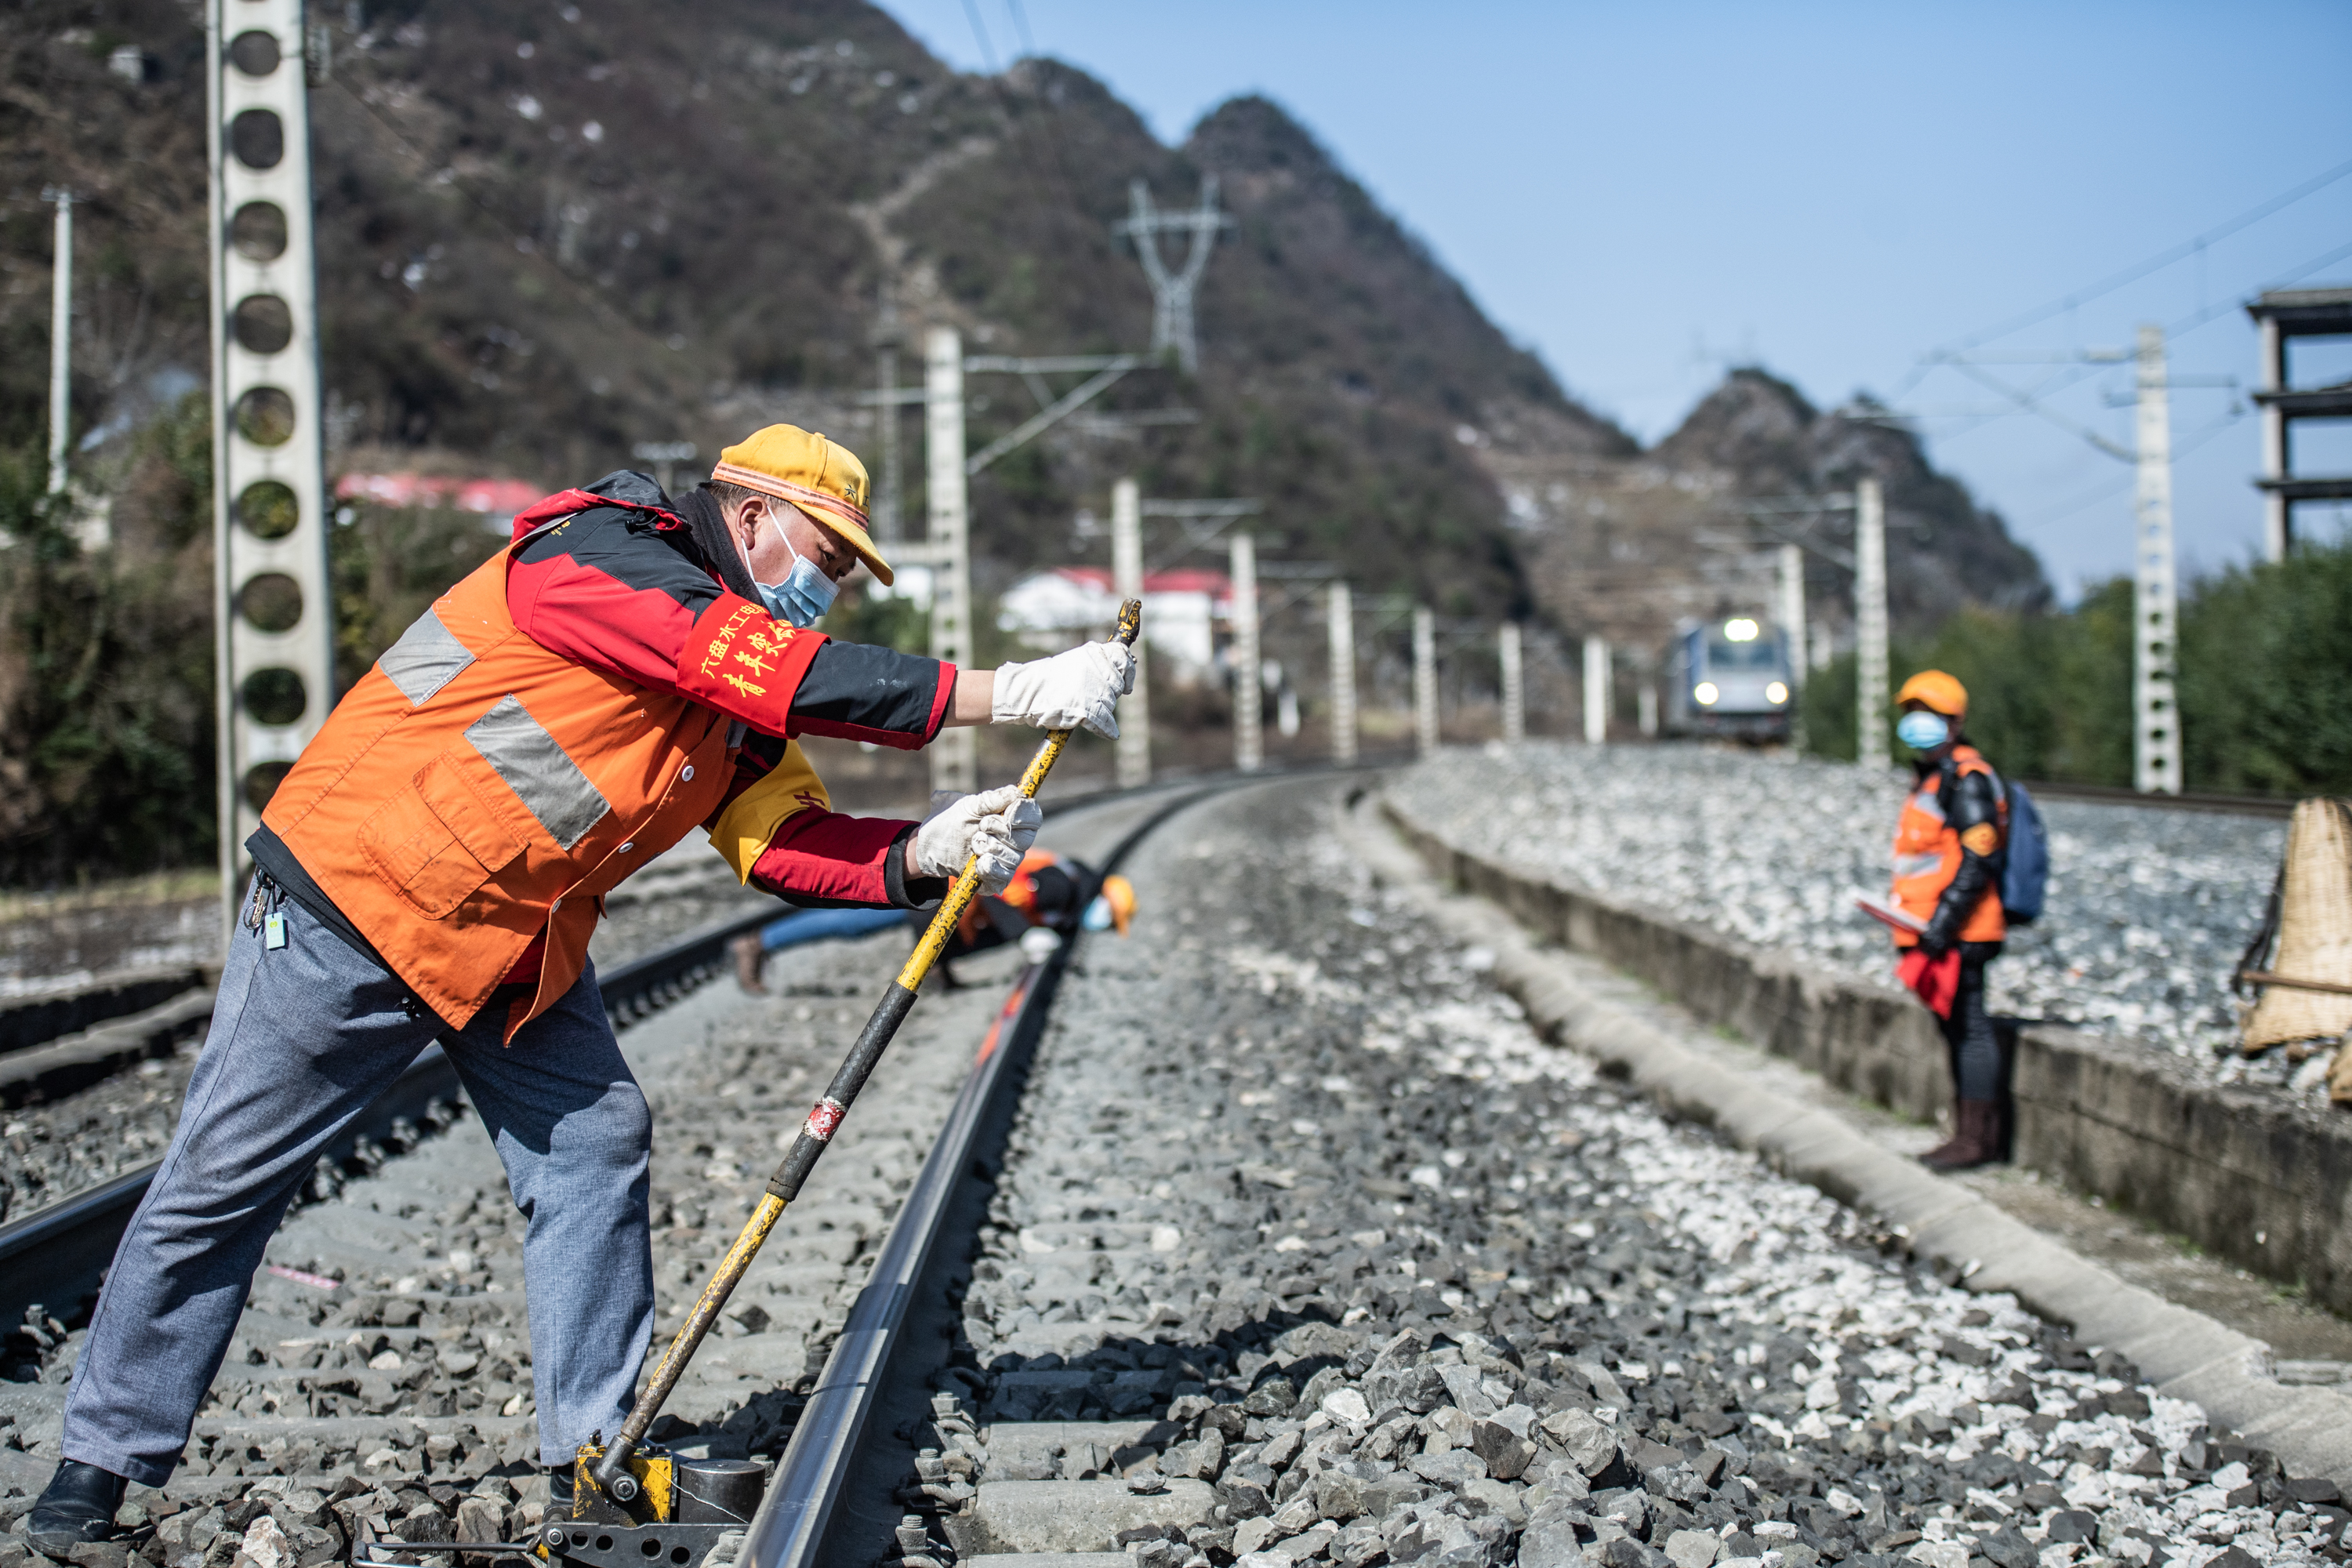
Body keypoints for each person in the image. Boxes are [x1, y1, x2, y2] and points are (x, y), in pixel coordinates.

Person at [23, 424, 1134, 1555]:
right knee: (224, 1182)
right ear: (749, 518)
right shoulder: (598, 557)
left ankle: (589, 1459)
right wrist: (1017, 690)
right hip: (355, 903)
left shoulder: (731, 663)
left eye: (846, 569)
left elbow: (777, 834)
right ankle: (94, 1473)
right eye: (825, 553)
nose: (830, 584)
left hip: (513, 946)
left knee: (597, 1139)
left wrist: (925, 852)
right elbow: (770, 675)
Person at [1886, 669, 2009, 1171]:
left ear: (1954, 722)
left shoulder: (1968, 778)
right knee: (1954, 1029)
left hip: (1961, 932)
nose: (1918, 723)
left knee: (1971, 1029)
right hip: (1932, 930)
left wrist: (1944, 924)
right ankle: (1967, 1134)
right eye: (1912, 713)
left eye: (1928, 714)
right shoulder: (1933, 777)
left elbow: (1978, 858)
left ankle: (1977, 1141)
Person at [729, 841, 1136, 991]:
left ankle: (940, 969)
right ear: (1101, 901)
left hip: (953, 898)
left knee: (856, 923)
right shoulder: (1062, 888)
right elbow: (994, 892)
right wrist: (1023, 935)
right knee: (854, 922)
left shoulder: (1070, 882)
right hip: (945, 888)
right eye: (1109, 917)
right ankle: (760, 943)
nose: (1101, 925)